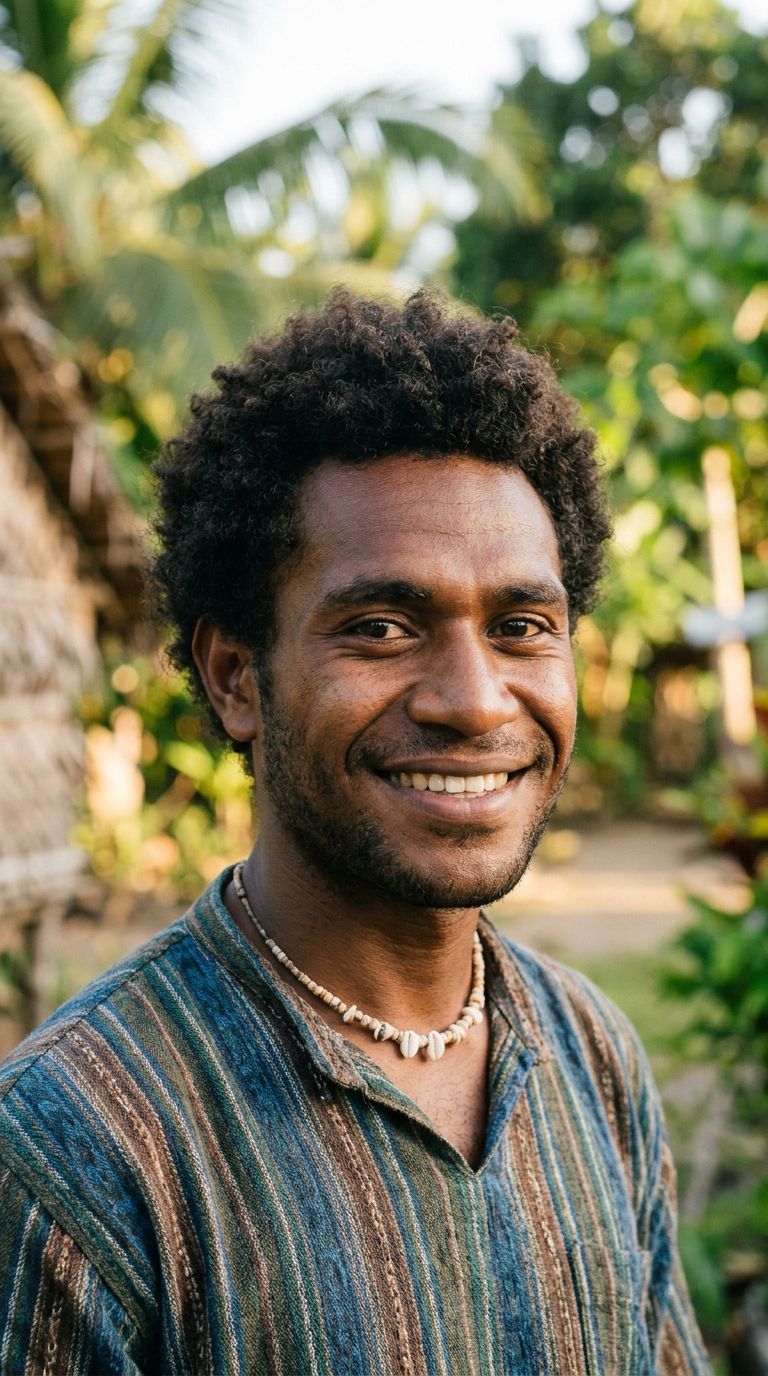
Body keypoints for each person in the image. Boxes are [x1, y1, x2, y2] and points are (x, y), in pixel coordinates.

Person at [0, 291, 711, 1376]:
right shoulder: (78, 1145)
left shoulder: (594, 1055)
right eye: (381, 626)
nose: (475, 700)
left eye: (523, 626)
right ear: (236, 677)